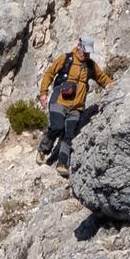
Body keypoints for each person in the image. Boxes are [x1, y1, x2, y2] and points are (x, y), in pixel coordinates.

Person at [37, 36, 112, 175]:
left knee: (68, 134)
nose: (87, 54)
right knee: (57, 126)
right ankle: (43, 149)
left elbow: (102, 78)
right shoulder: (65, 58)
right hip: (58, 101)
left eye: (89, 52)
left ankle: (62, 163)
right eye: (85, 50)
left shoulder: (90, 65)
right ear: (79, 46)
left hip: (77, 107)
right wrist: (43, 93)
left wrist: (112, 86)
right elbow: (49, 73)